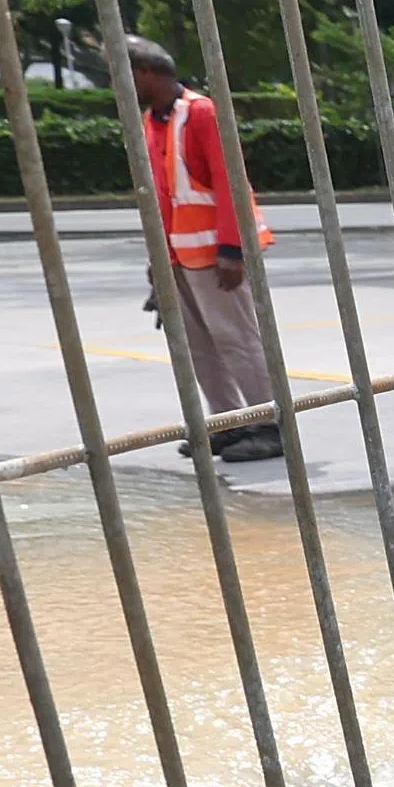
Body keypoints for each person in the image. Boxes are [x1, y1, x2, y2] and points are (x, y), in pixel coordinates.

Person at [126, 32, 281, 463]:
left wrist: (233, 250)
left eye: (123, 75)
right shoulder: (152, 120)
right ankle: (229, 422)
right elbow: (160, 195)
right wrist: (158, 263)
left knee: (237, 339)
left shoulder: (200, 113)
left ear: (144, 72)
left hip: (216, 254)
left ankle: (268, 425)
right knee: (200, 345)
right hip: (180, 255)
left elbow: (231, 182)